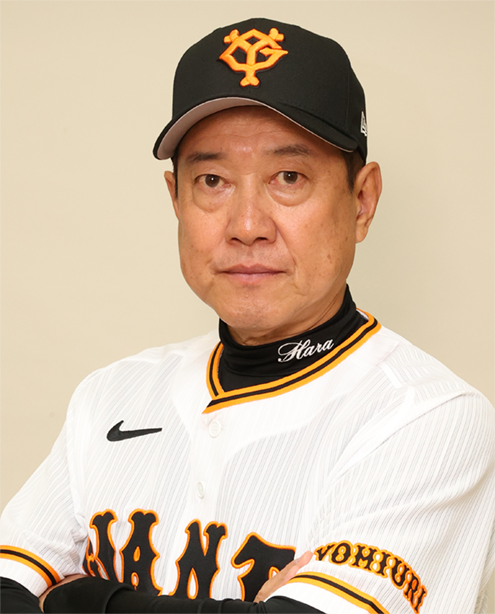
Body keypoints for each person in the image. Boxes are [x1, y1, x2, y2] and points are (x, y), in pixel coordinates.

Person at [1, 16, 494, 614]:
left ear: (362, 201)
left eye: (289, 177)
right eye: (213, 181)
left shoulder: (428, 417)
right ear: (175, 199)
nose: (247, 226)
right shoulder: (109, 397)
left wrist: (81, 598)